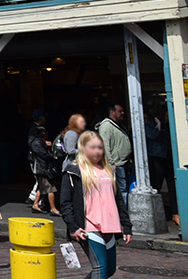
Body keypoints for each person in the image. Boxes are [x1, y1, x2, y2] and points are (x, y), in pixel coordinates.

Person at [61, 131, 132, 279]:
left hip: (110, 226)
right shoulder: (73, 171)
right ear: (83, 148)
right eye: (93, 147)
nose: (98, 151)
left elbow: (118, 200)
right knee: (101, 269)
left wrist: (127, 225)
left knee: (110, 270)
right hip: (89, 227)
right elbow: (65, 202)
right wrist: (73, 227)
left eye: (100, 147)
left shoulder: (108, 171)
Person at [145, 109, 179, 226]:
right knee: (156, 186)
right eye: (167, 115)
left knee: (172, 186)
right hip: (157, 158)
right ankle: (154, 214)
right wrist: (158, 125)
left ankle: (175, 214)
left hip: (168, 157)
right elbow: (152, 136)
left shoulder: (170, 126)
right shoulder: (150, 125)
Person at [95, 103, 131, 205]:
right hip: (116, 164)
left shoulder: (119, 125)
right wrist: (111, 163)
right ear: (112, 112)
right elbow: (105, 146)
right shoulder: (106, 126)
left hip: (123, 163)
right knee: (121, 190)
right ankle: (121, 215)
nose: (123, 113)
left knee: (123, 189)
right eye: (120, 111)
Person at [29, 123, 61, 216]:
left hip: (42, 168)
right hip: (41, 168)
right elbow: (44, 155)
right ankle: (53, 208)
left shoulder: (41, 141)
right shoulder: (36, 143)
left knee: (41, 187)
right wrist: (53, 156)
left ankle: (35, 204)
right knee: (51, 188)